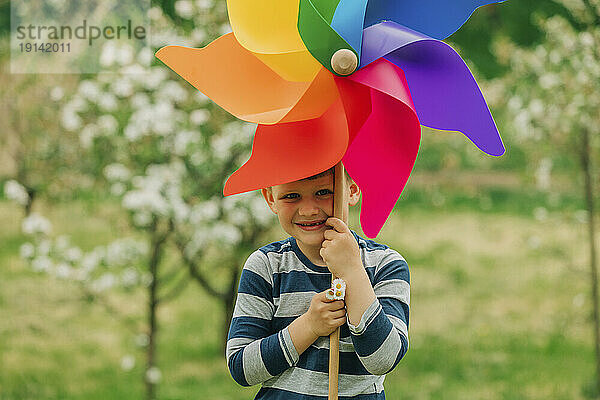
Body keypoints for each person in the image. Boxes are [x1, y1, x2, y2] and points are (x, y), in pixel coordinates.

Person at [226, 167, 410, 399]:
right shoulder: (266, 267)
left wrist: (352, 271)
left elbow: (384, 359)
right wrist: (310, 326)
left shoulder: (386, 265)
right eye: (291, 196)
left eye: (324, 192)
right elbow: (241, 368)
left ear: (352, 191)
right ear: (271, 198)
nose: (309, 210)